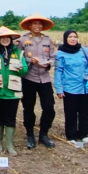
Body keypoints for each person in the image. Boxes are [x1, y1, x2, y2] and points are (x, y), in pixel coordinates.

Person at [16, 13, 57, 149]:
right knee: (28, 108)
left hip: (44, 78)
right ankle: (29, 134)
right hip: (28, 78)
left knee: (49, 107)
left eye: (40, 24)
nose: (38, 26)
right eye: (35, 23)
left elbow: (53, 57)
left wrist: (48, 63)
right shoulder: (23, 40)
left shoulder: (48, 40)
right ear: (29, 26)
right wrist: (30, 61)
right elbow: (17, 58)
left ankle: (44, 134)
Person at [0, 26, 28, 156]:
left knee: (11, 118)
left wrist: (21, 69)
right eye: (2, 38)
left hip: (13, 92)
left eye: (7, 38)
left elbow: (25, 71)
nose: (5, 40)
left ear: (11, 39)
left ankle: (10, 145)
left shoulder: (18, 52)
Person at [55, 30, 88, 148]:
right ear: (65, 39)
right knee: (71, 112)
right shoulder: (60, 53)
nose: (73, 39)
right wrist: (59, 88)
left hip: (85, 88)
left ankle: (83, 134)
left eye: (75, 37)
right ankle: (71, 135)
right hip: (70, 88)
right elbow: (59, 71)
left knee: (85, 111)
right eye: (70, 37)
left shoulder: (84, 50)